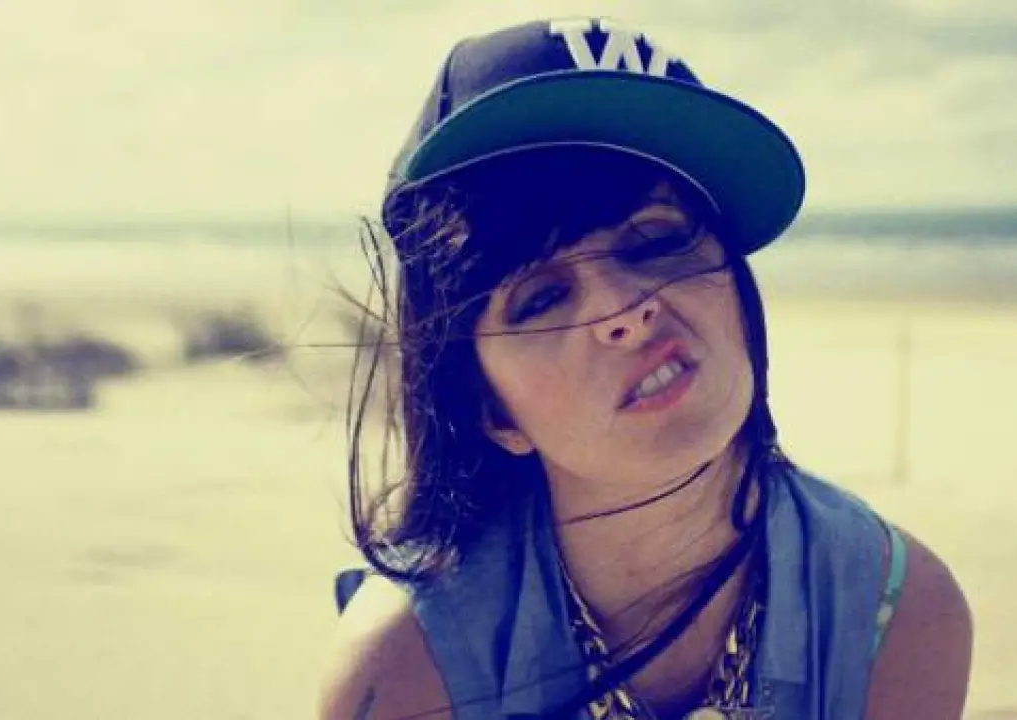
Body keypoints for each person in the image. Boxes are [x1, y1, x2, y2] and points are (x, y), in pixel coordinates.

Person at [319, 17, 972, 720]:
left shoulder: (892, 611)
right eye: (540, 297)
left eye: (655, 241)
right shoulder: (408, 665)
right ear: (492, 408)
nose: (624, 310)